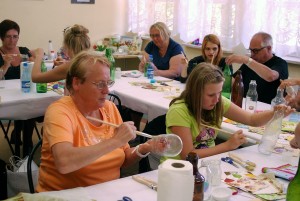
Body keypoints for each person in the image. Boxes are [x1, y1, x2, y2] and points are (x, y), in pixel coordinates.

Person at [36, 50, 165, 192]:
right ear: (77, 83)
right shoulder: (60, 112)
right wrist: (115, 141)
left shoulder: (109, 108)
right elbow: (64, 162)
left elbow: (123, 159)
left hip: (105, 193)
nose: (107, 90)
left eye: (108, 83)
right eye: (100, 84)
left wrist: (145, 147)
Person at [163, 63, 294, 160]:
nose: (217, 99)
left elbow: (251, 119)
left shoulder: (218, 102)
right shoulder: (179, 111)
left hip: (207, 163)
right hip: (180, 169)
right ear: (195, 92)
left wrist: (275, 113)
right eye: (210, 95)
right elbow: (187, 155)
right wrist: (228, 145)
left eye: (219, 93)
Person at [0, 19, 36, 156]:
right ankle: (19, 136)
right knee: (26, 109)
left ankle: (26, 146)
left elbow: (37, 70)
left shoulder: (24, 51)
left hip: (24, 91)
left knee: (31, 108)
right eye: (8, 36)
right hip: (7, 97)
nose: (12, 40)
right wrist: (5, 65)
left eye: (15, 36)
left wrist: (34, 62)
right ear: (2, 37)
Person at [226, 32, 288, 104]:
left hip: (268, 109)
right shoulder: (250, 62)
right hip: (245, 106)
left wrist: (246, 60)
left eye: (255, 51)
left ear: (269, 48)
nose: (252, 54)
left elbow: (271, 76)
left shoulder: (280, 63)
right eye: (251, 50)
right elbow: (233, 81)